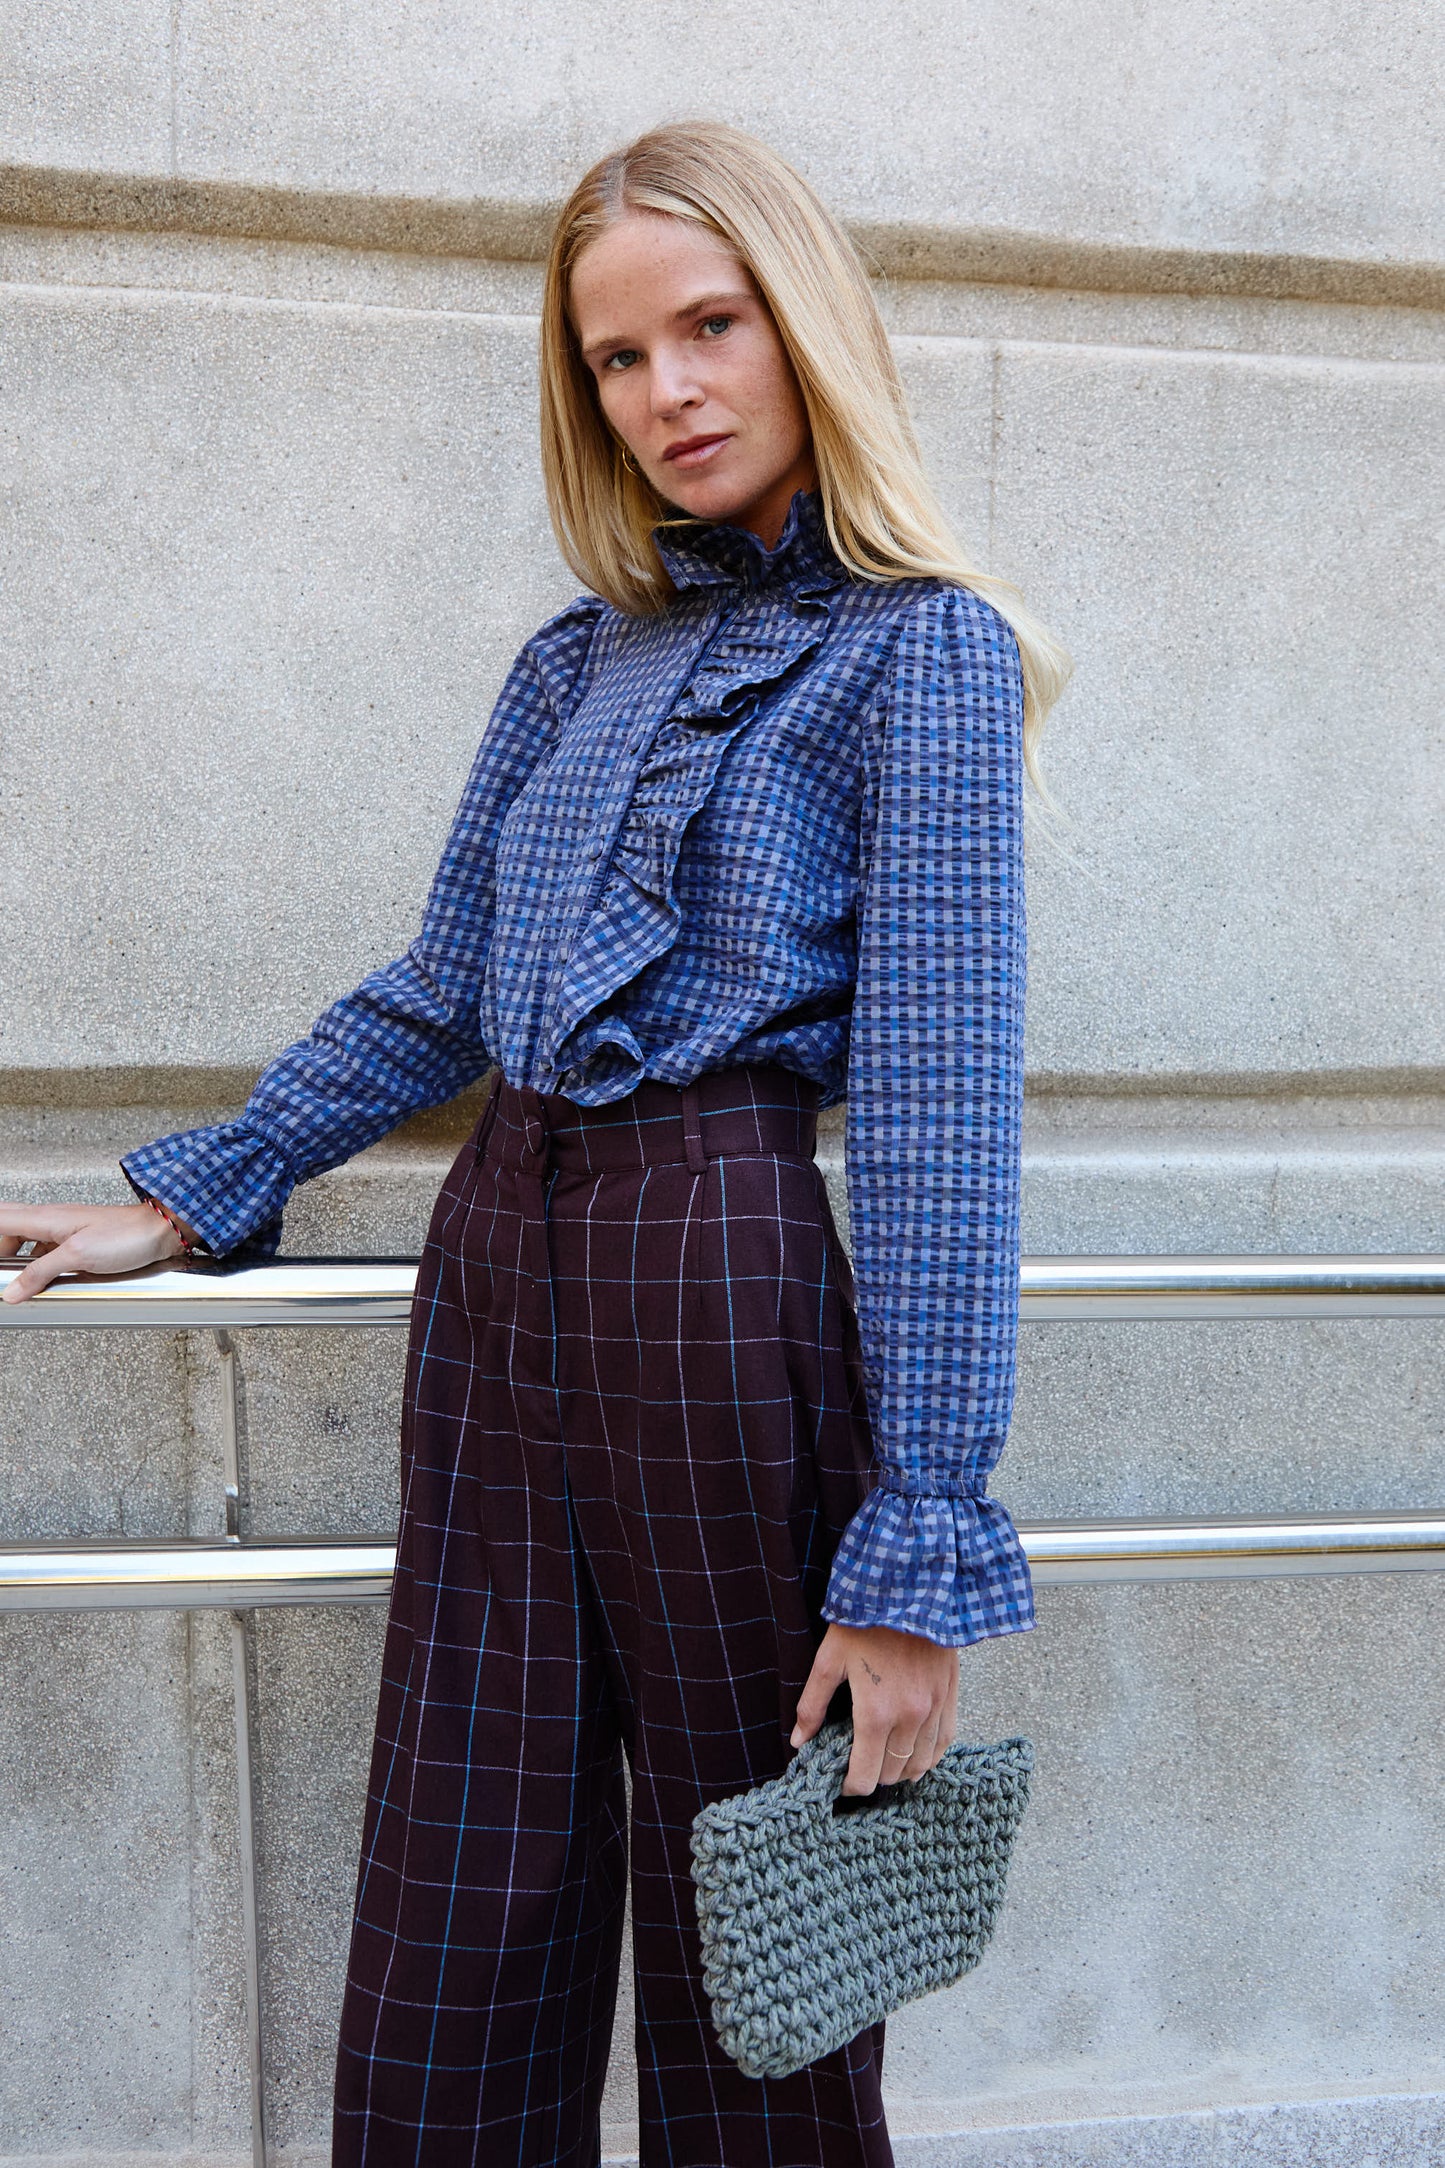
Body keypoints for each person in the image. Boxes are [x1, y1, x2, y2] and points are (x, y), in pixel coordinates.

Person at [0, 120, 1069, 2168]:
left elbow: (939, 1114)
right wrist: (192, 1183)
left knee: (752, 1918)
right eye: (614, 358)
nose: (666, 392)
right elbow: (444, 993)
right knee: (457, 1891)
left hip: (716, 1262)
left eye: (710, 327)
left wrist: (920, 1546)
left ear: (803, 325)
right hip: (501, 1269)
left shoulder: (914, 649)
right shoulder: (572, 663)